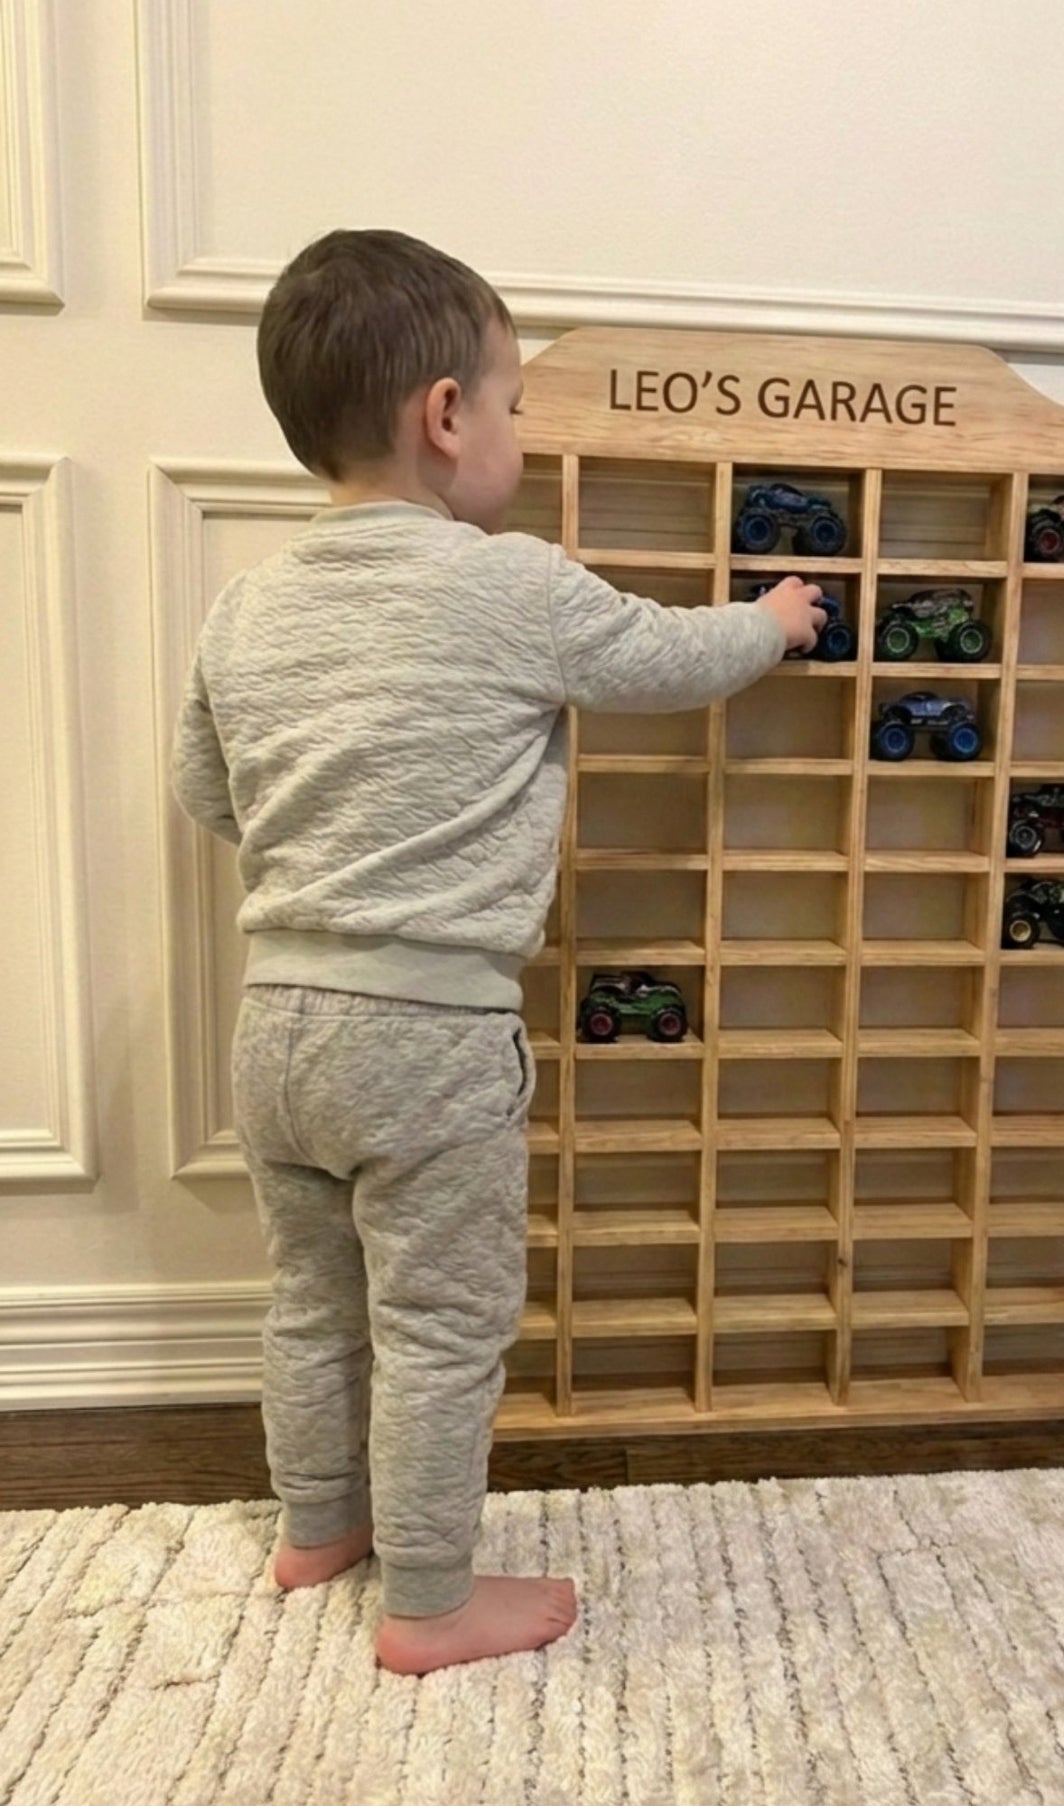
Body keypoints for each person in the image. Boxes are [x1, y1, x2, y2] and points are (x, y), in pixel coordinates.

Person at [170, 227, 824, 1676]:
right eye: (515, 401)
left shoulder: (245, 606)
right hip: (428, 1033)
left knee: (313, 1300)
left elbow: (208, 795)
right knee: (441, 1321)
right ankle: (429, 1600)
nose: (519, 431)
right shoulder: (512, 584)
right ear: (445, 417)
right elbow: (663, 658)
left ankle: (313, 1528)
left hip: (276, 1020)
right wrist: (770, 623)